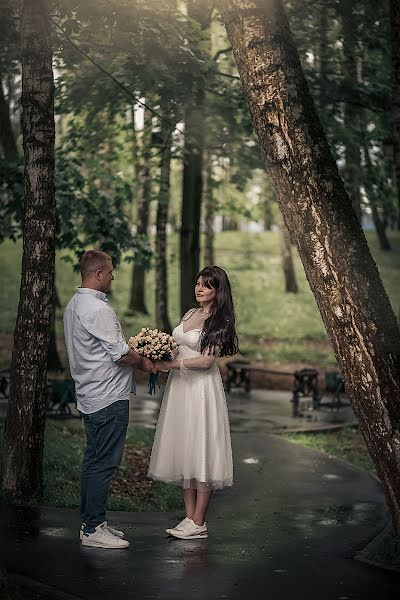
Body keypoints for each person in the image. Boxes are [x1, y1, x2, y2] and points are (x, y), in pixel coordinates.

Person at [63, 249, 156, 549]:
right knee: (104, 463)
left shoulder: (74, 305)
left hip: (91, 394)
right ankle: (92, 529)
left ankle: (94, 522)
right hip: (107, 397)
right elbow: (120, 354)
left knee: (94, 461)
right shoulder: (98, 309)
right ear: (98, 274)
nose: (114, 276)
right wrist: (146, 361)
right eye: (111, 271)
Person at [148, 265, 238, 540]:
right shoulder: (190, 313)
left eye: (206, 285)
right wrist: (154, 349)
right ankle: (188, 518)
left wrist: (170, 364)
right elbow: (178, 344)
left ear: (218, 291)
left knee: (200, 449)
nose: (199, 288)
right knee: (184, 449)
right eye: (198, 283)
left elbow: (206, 361)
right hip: (180, 389)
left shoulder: (218, 322)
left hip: (200, 389)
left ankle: (199, 521)